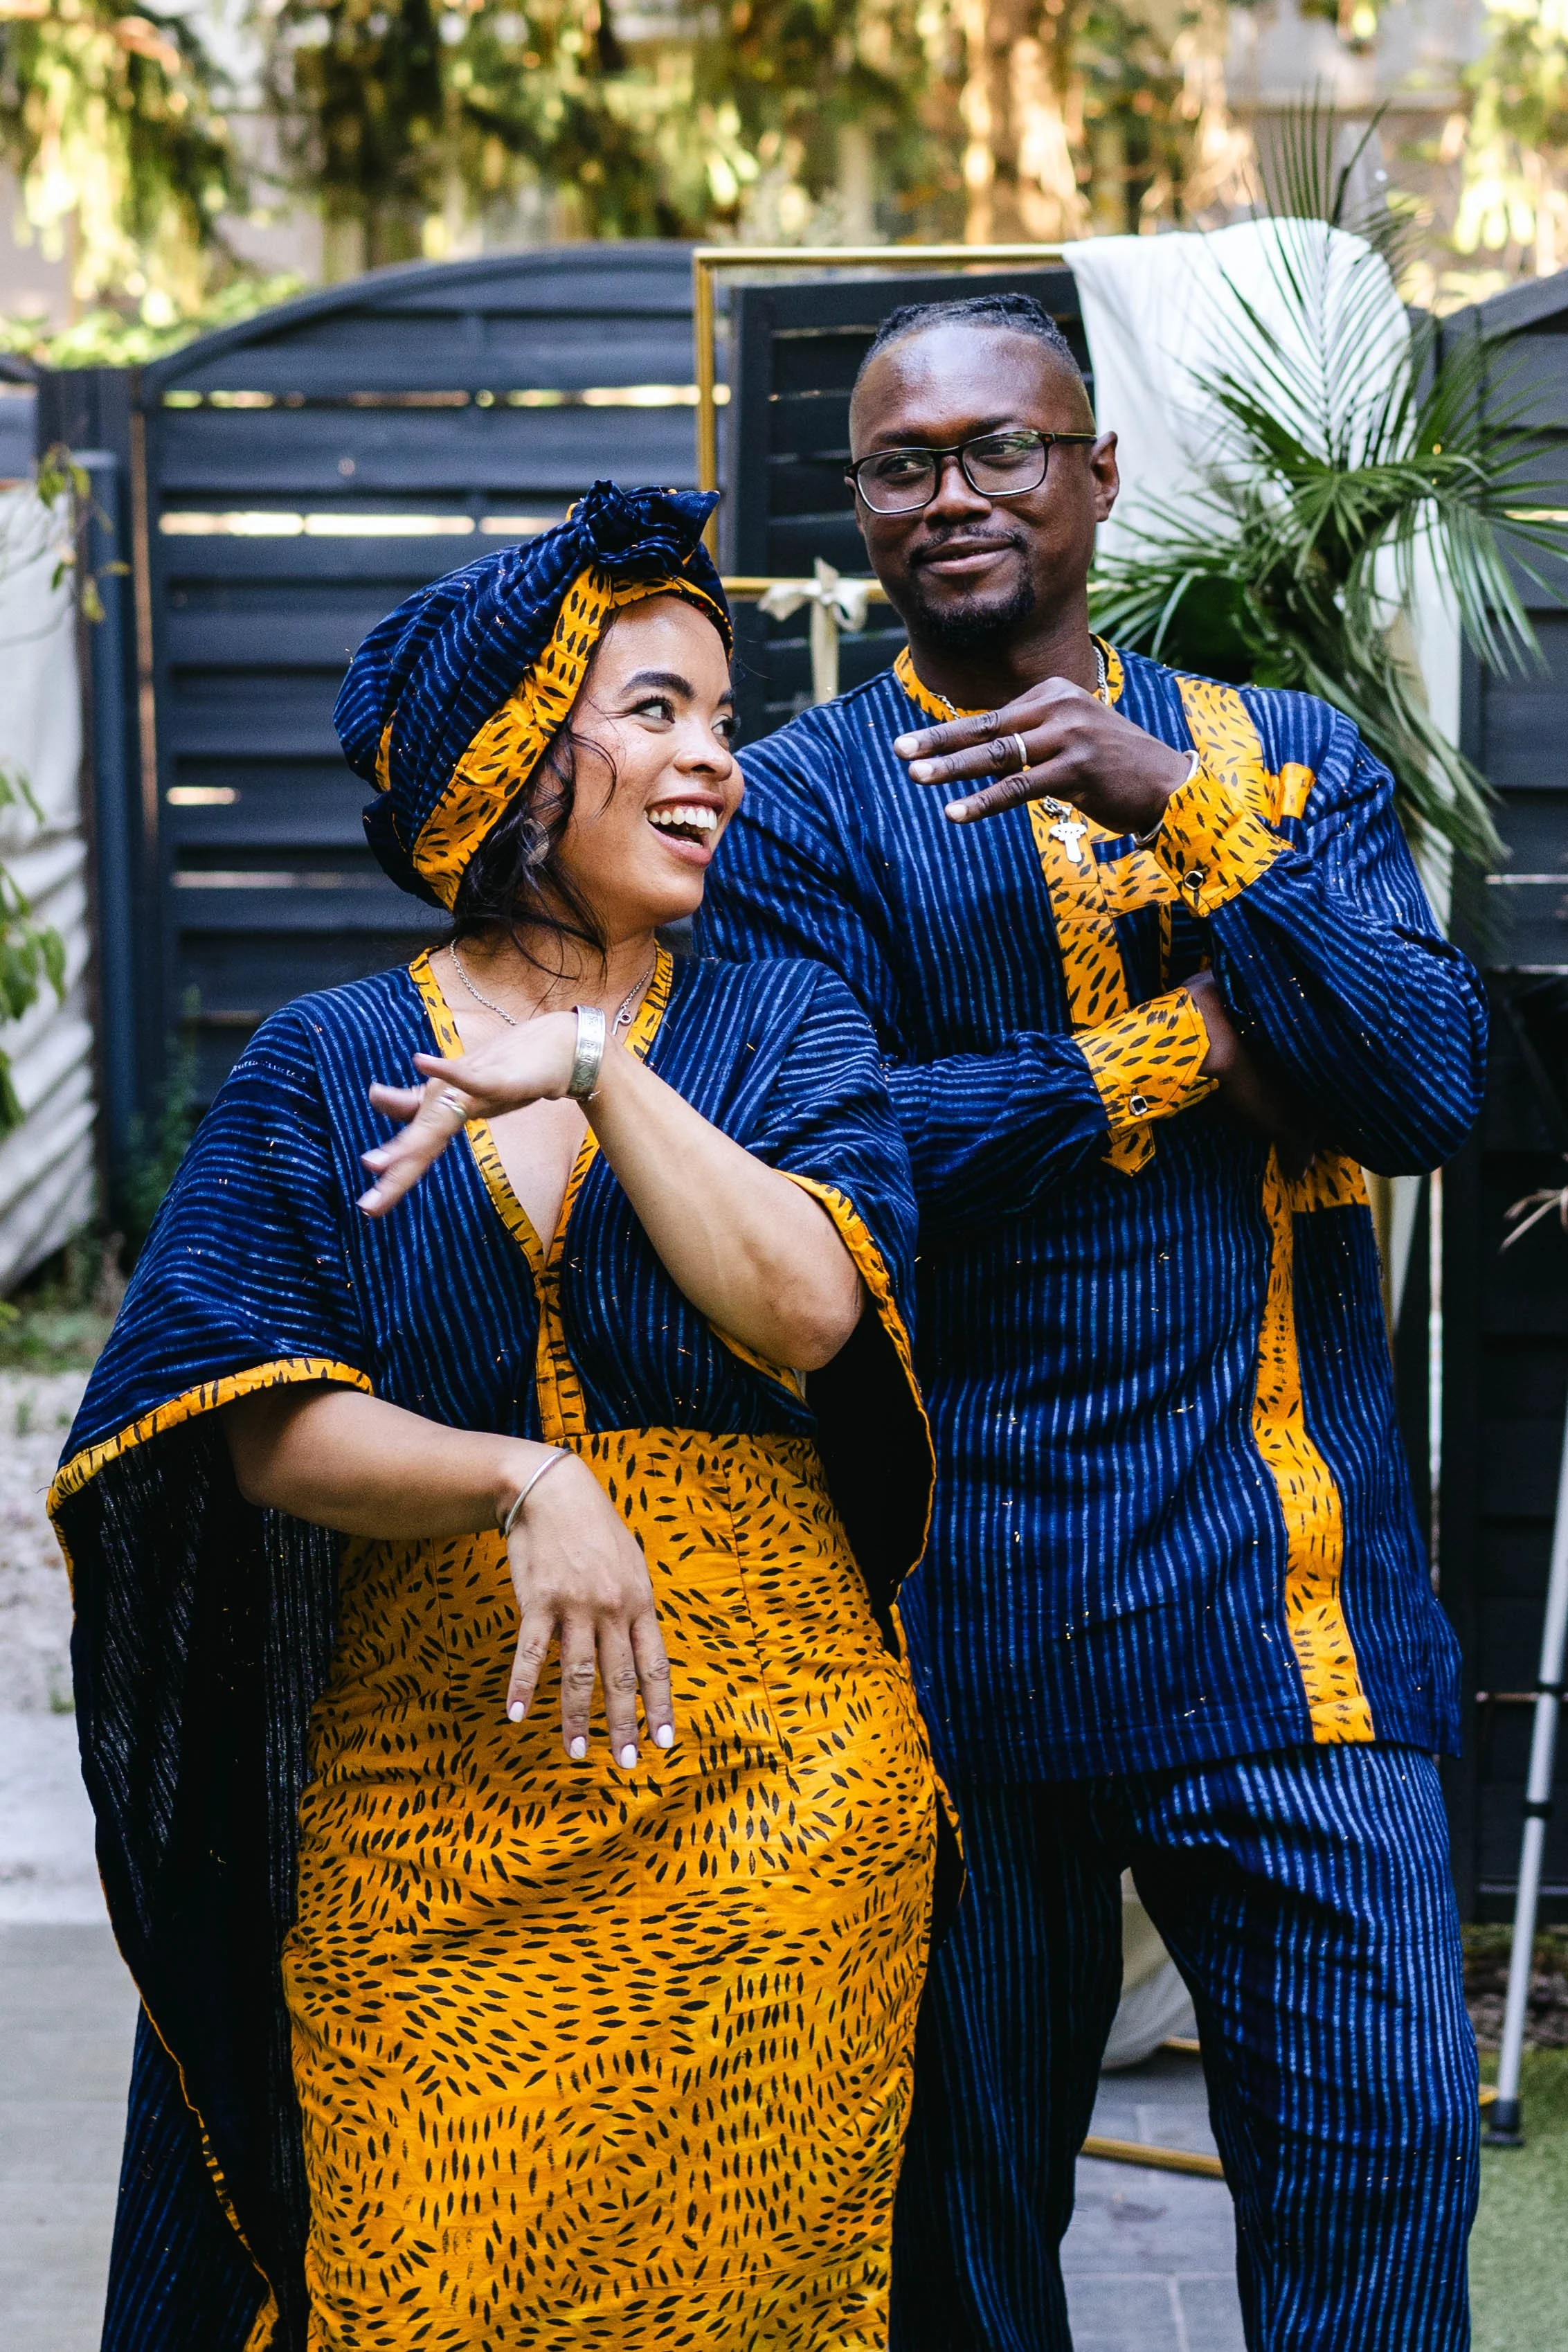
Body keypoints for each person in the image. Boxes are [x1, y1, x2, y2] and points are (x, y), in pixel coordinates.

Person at [53, 481, 953, 2352]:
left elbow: (805, 1304)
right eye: (657, 710)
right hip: (434, 1797)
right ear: (522, 767)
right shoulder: (322, 1063)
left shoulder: (790, 1026)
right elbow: (246, 1422)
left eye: (726, 714)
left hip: (773, 1807)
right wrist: (520, 1475)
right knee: (424, 2277)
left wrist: (607, 1073)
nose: (716, 757)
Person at [696, 293, 1487, 2351]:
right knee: (957, 2255)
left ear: (1097, 473)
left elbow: (1423, 1085)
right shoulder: (797, 810)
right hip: (966, 1635)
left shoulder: (1283, 758)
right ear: (860, 504)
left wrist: (1180, 806)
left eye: (1000, 449)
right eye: (902, 463)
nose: (951, 496)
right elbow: (830, 1161)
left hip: (1290, 1626)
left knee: (1383, 2209)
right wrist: (1192, 1047)